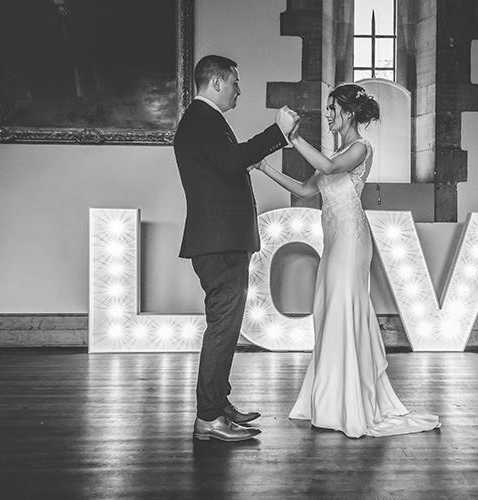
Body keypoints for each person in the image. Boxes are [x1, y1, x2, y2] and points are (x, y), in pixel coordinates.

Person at [255, 83, 441, 438]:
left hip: (352, 241)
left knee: (343, 309)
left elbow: (325, 164)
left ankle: (348, 401)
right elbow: (305, 190)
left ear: (349, 113)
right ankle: (330, 398)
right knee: (328, 311)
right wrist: (264, 166)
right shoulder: (338, 151)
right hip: (335, 241)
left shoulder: (359, 148)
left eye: (331, 109)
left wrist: (292, 137)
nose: (327, 115)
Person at [174, 55, 298, 442]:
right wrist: (277, 132)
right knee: (223, 329)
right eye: (234, 84)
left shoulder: (203, 120)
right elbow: (230, 161)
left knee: (225, 328)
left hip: (220, 241)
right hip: (219, 243)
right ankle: (209, 419)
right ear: (215, 83)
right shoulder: (202, 119)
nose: (239, 90)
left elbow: (225, 163)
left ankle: (218, 404)